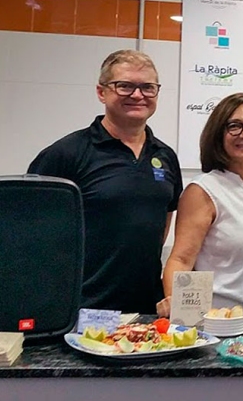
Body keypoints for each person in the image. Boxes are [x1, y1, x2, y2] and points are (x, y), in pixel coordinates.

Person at [27, 49, 183, 314]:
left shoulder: (165, 156)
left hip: (146, 308)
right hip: (82, 310)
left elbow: (163, 221)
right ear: (101, 92)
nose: (138, 95)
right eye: (125, 86)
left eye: (148, 87)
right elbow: (32, 233)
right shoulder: (66, 154)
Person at [157, 93, 243, 315]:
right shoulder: (202, 191)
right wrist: (177, 306)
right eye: (234, 126)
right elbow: (180, 260)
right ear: (218, 134)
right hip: (221, 319)